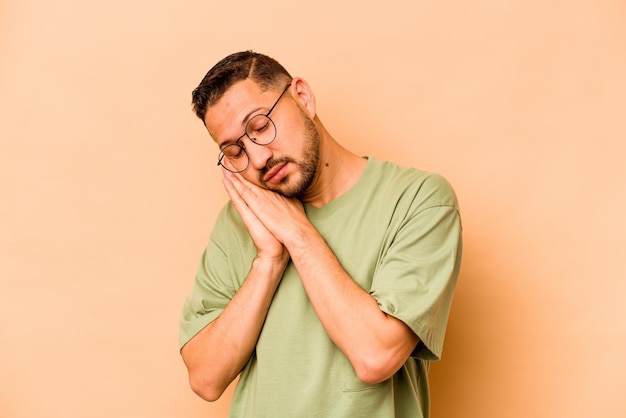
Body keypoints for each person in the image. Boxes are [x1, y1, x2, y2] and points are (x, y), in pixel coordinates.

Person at [179, 50, 462, 418]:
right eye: (235, 151)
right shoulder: (240, 221)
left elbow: (376, 355)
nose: (259, 159)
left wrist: (296, 234)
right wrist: (268, 260)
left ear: (303, 96)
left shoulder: (417, 200)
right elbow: (205, 379)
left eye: (261, 126)